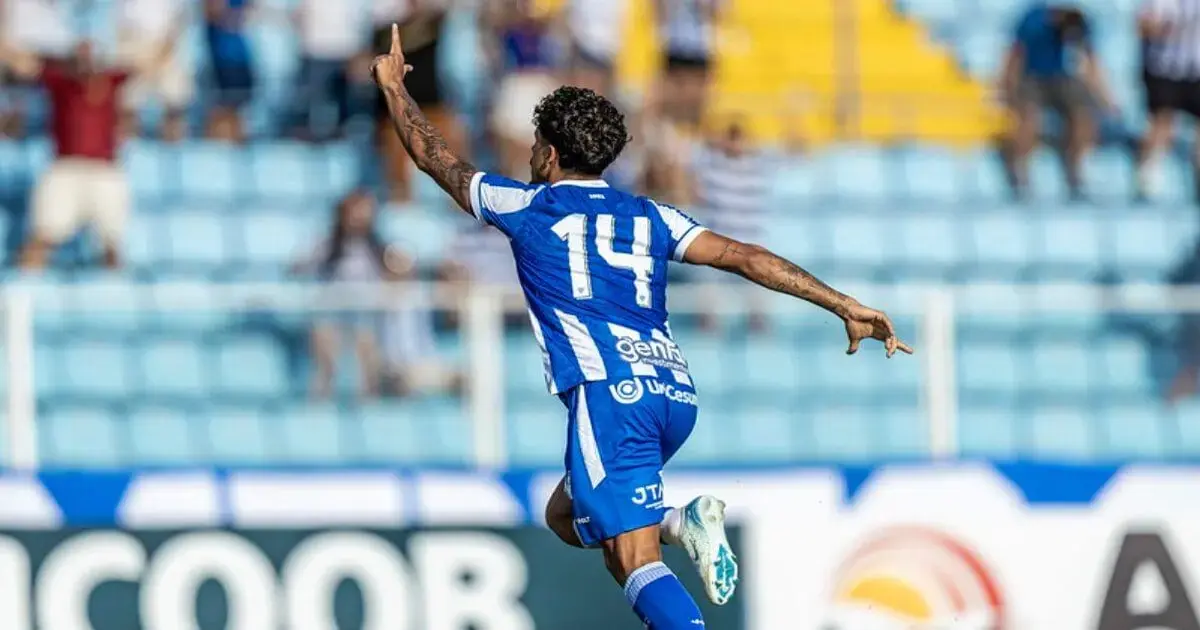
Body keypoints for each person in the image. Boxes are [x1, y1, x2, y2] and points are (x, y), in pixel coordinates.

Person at [371, 24, 913, 628]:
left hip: (612, 396)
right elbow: (746, 256)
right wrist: (841, 303)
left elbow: (430, 155)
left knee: (631, 556)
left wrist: (394, 87)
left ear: (549, 154)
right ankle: (683, 521)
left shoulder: (527, 206)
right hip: (673, 394)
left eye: (534, 145)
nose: (529, 155)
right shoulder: (649, 214)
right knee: (568, 517)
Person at [0, 38, 177, 269]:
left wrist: (176, 30)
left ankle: (115, 293)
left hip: (105, 170)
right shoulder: (60, 81)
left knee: (113, 245)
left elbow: (152, 62)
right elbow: (20, 62)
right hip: (65, 169)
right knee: (42, 237)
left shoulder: (112, 80)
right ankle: (22, 288)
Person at [291, 190, 405, 398]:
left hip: (364, 312)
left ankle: (368, 404)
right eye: (356, 211)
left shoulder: (377, 248)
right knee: (326, 356)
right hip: (332, 309)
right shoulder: (328, 245)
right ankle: (320, 403)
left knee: (368, 356)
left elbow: (397, 272)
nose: (360, 217)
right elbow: (299, 266)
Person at [999, 3, 1113, 201]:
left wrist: (1105, 98)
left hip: (1063, 79)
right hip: (1031, 77)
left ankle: (1077, 173)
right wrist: (1006, 90)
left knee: (1084, 115)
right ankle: (1020, 173)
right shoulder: (1032, 19)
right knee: (1028, 118)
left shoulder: (1078, 20)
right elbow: (1015, 57)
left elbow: (1091, 60)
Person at [1135, 0, 1200, 202]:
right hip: (1164, 69)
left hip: (1195, 69)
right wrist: (1161, 27)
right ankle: (1147, 178)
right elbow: (1143, 26)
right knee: (1162, 121)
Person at [117, 0, 192, 141]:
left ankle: (173, 151)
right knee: (127, 102)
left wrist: (165, 49)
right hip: (133, 43)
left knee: (175, 103)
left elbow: (181, 18)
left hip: (168, 47)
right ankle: (127, 149)